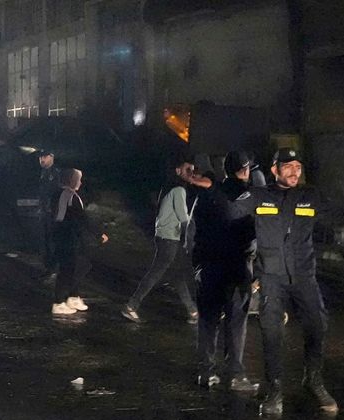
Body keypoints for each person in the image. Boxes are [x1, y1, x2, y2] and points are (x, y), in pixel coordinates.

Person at [190, 147, 338, 415]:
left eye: (298, 167)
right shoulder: (260, 196)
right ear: (275, 170)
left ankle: (314, 380)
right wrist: (212, 187)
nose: (294, 171)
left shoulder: (309, 196)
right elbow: (230, 211)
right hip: (271, 277)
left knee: (317, 325)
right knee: (271, 333)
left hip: (304, 276)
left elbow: (338, 215)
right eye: (288, 166)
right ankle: (274, 390)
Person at [191, 150, 258, 392]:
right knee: (236, 321)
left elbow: (193, 229)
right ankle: (235, 374)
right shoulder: (250, 197)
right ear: (246, 170)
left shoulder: (208, 194)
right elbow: (255, 234)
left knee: (208, 320)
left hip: (209, 266)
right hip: (237, 268)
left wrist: (197, 263)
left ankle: (206, 372)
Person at [121, 156, 199, 324]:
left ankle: (192, 311)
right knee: (157, 273)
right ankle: (131, 305)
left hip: (166, 236)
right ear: (178, 171)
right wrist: (192, 238)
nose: (191, 173)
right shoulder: (178, 190)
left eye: (193, 170)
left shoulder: (170, 187)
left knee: (177, 275)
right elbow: (183, 218)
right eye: (188, 170)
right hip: (169, 237)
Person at [51, 168, 108, 315]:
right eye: (78, 179)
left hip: (65, 236)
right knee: (71, 268)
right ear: (71, 180)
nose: (80, 182)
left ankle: (73, 296)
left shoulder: (60, 193)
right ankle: (59, 302)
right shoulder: (70, 196)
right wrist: (98, 233)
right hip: (68, 237)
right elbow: (82, 218)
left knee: (74, 266)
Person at [38, 150, 62, 281]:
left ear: (51, 157)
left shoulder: (56, 174)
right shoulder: (43, 173)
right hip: (45, 213)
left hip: (53, 214)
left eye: (44, 157)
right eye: (40, 157)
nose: (42, 159)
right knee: (45, 241)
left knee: (53, 242)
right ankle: (48, 268)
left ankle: (54, 269)